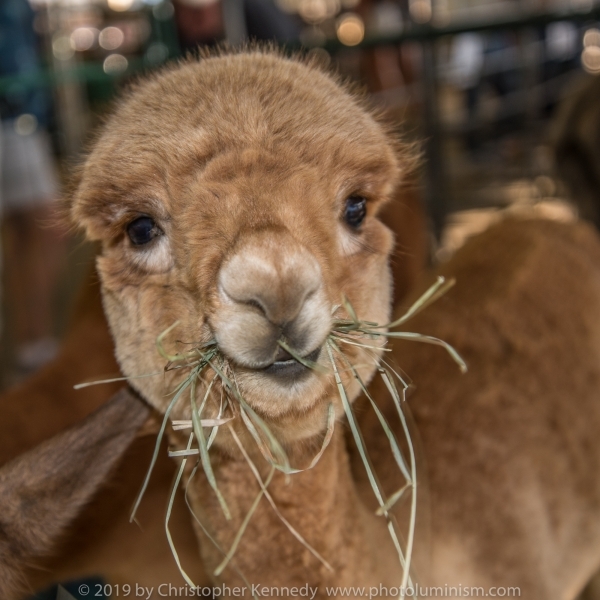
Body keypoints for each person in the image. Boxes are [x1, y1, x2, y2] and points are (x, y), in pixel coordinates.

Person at [0, 0, 67, 377]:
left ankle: (33, 344)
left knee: (40, 229)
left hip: (22, 116)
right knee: (41, 226)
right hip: (12, 114)